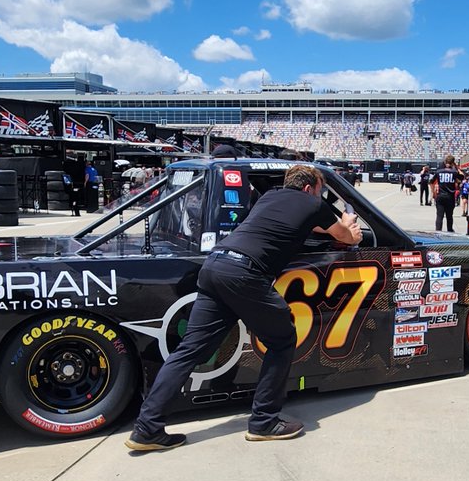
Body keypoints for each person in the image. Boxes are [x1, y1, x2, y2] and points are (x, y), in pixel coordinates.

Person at [126, 164, 362, 451]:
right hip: (245, 274)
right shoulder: (313, 203)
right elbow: (347, 237)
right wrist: (349, 223)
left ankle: (147, 429)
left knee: (190, 351)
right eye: (319, 190)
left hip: (216, 265)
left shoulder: (269, 197)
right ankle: (264, 422)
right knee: (282, 339)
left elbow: (287, 223)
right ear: (310, 188)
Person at [431, 155, 462, 232]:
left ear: (445, 162)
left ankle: (438, 231)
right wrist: (457, 167)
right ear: (452, 163)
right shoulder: (454, 172)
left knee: (439, 215)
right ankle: (450, 230)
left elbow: (431, 181)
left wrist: (433, 192)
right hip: (450, 196)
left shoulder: (439, 172)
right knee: (449, 215)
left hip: (440, 195)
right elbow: (462, 177)